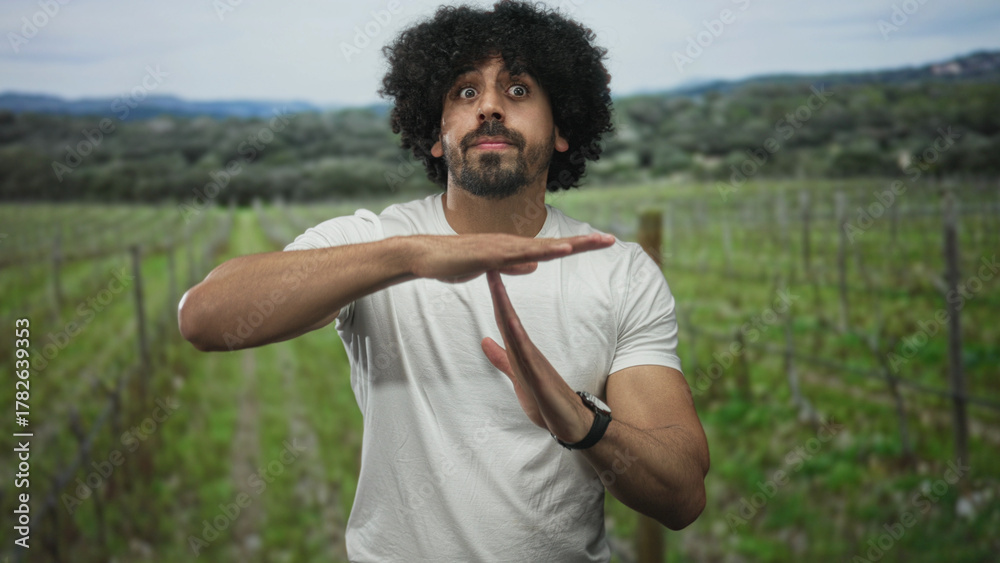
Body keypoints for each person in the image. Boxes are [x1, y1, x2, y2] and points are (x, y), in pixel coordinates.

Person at [178, 1, 709, 560]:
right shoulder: (373, 240)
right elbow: (204, 318)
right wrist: (410, 255)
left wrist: (579, 420)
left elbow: (682, 497)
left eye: (519, 90)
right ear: (435, 136)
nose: (490, 108)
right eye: (465, 92)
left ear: (562, 130)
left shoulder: (619, 271)